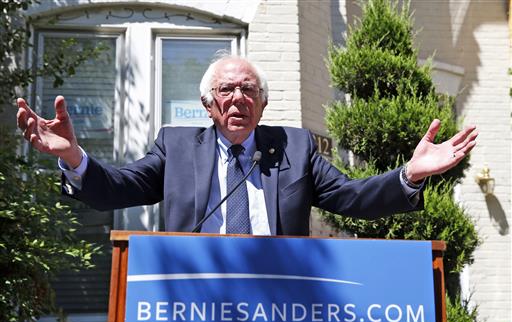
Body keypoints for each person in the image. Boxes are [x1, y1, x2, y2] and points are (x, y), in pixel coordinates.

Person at [16, 55, 477, 236]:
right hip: (194, 297)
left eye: (248, 89)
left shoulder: (294, 147)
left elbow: (350, 198)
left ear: (263, 102)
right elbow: (117, 188)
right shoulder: (175, 147)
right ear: (208, 104)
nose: (238, 97)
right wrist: (74, 158)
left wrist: (411, 173)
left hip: (276, 295)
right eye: (226, 90)